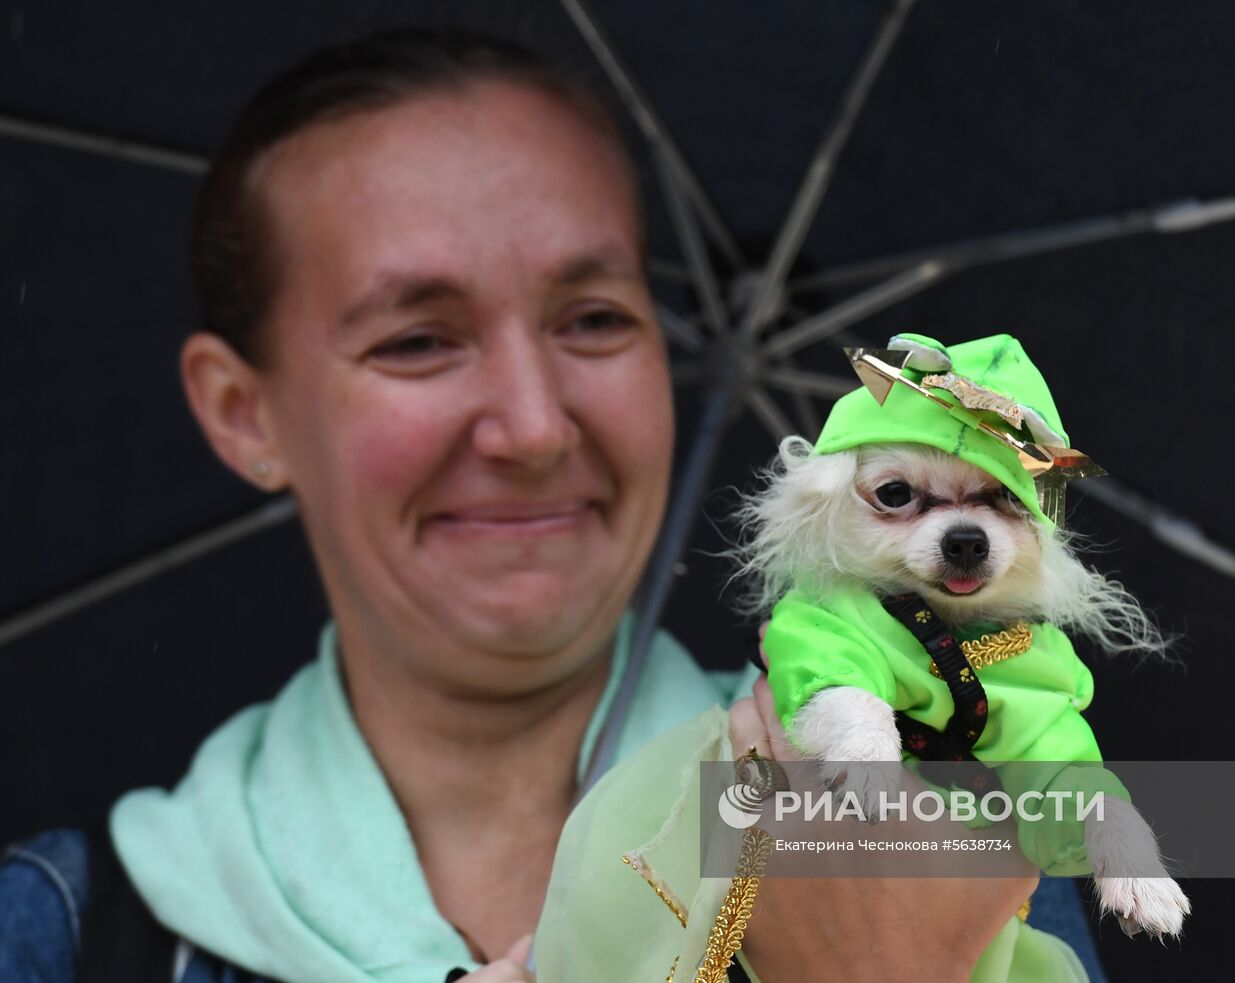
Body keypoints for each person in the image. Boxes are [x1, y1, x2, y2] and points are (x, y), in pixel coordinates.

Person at [0, 27, 1103, 982]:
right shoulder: (69, 932)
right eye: (418, 339)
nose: (532, 427)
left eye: (592, 319)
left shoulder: (944, 798)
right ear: (245, 413)